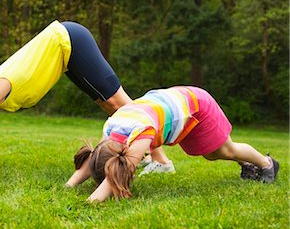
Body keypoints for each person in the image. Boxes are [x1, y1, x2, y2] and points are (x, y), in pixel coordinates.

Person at [0, 20, 170, 175]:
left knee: (122, 106)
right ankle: (157, 159)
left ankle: (161, 161)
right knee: (111, 106)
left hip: (69, 42)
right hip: (66, 55)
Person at [70, 86, 280, 202]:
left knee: (223, 151)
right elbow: (93, 158)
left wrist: (92, 202)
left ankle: (266, 163)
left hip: (197, 105)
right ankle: (248, 165)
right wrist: (68, 186)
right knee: (211, 153)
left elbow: (123, 171)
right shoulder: (109, 132)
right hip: (172, 102)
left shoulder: (142, 133)